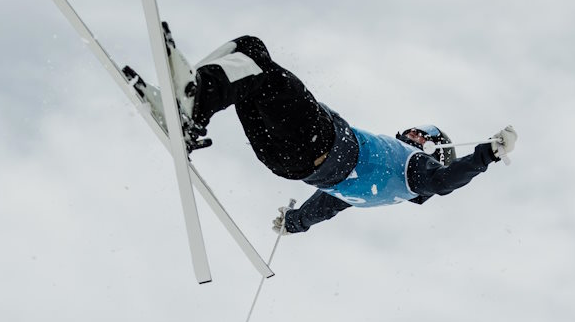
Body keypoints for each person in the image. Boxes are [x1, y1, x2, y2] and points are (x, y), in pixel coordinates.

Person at [166, 34, 516, 235]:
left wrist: (487, 155)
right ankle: (191, 100)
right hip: (290, 163)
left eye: (420, 135)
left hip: (321, 140)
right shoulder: (380, 189)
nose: (411, 134)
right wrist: (295, 222)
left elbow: (444, 183)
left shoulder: (417, 172)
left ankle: (192, 103)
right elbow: (327, 205)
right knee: (249, 61)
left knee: (256, 59)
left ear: (433, 149)